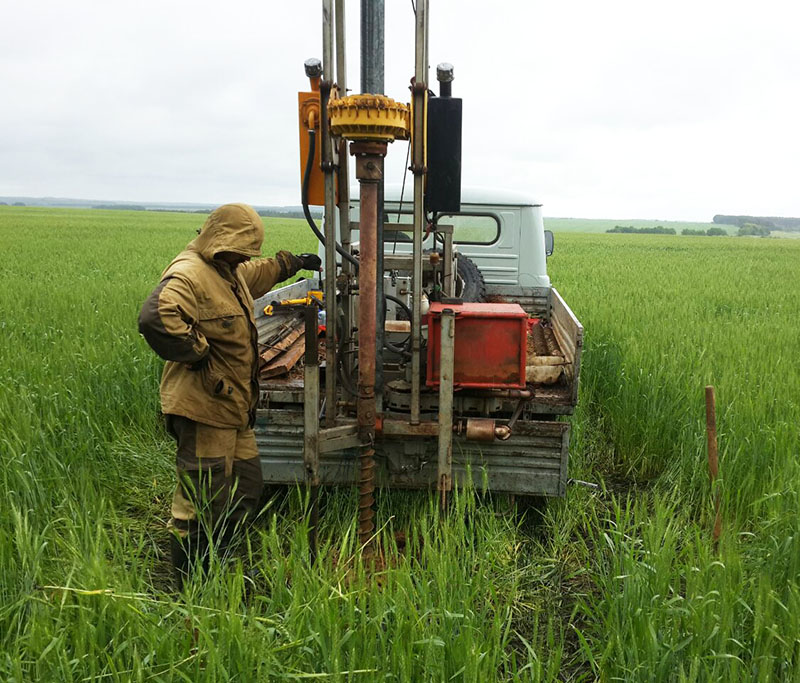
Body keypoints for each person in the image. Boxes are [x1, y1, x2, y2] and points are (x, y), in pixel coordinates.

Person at [138, 203, 321, 588]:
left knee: (246, 484)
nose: (245, 257)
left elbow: (261, 272)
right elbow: (156, 317)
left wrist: (296, 262)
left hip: (235, 409)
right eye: (241, 249)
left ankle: (223, 560)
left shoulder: (228, 270)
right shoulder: (190, 274)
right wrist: (200, 354)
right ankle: (190, 582)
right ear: (220, 239)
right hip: (205, 407)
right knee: (202, 498)